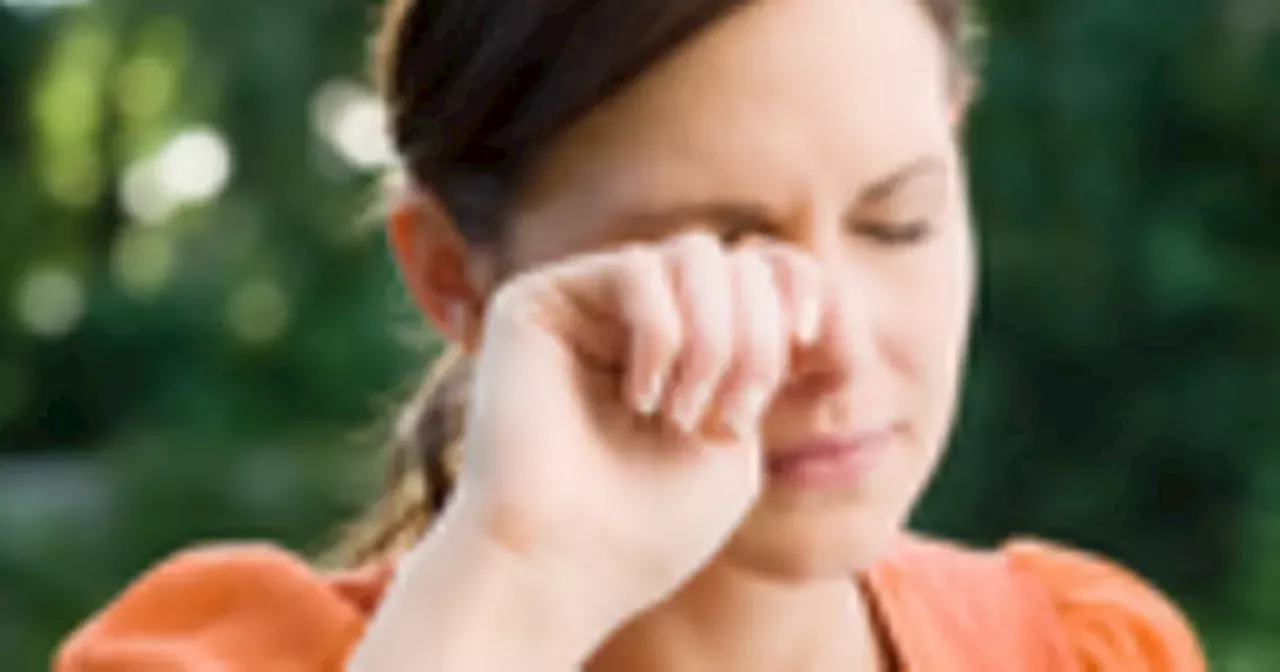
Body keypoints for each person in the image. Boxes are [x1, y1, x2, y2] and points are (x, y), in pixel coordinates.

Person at [55, 0, 1208, 669]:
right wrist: (511, 582)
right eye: (719, 265)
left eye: (897, 222)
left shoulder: (1079, 651)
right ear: (452, 274)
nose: (843, 354)